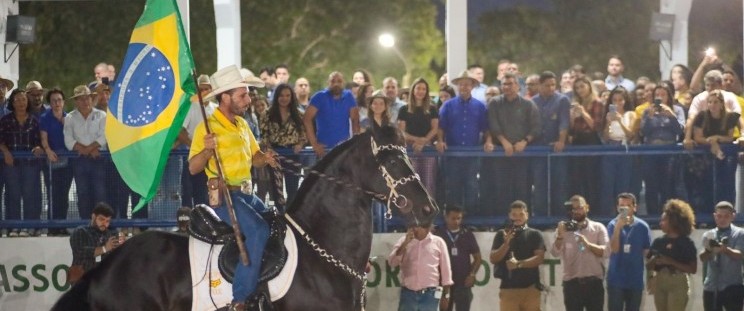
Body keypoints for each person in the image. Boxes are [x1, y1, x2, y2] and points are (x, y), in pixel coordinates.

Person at [188, 65, 279, 310]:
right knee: (259, 231)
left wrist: (265, 158)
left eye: (248, 94)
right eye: (243, 95)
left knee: (277, 223)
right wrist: (208, 150)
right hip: (224, 197)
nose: (248, 100)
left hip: (247, 194)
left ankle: (262, 280)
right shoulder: (206, 129)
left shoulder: (241, 125)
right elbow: (193, 168)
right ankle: (240, 299)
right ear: (225, 97)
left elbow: (255, 157)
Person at [483, 72, 540, 216]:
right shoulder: (495, 103)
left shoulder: (528, 104)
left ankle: (524, 220)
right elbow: (493, 125)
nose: (507, 87)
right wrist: (504, 142)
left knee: (522, 189)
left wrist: (525, 141)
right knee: (501, 189)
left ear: (517, 86)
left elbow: (536, 127)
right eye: (504, 84)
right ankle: (502, 221)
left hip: (522, 154)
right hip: (501, 153)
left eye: (510, 84)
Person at [438, 70, 489, 212]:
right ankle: (452, 219)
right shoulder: (448, 106)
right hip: (452, 154)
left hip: (472, 155)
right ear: (457, 86)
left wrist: (488, 141)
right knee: (453, 187)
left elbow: (485, 128)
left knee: (472, 186)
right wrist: (440, 141)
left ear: (472, 86)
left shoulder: (480, 106)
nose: (464, 87)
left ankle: (471, 219)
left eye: (467, 84)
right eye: (461, 84)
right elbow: (441, 126)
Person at [550, 195, 609, 311]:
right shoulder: (563, 229)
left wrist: (588, 244)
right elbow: (555, 253)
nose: (576, 211)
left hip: (594, 283)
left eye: (579, 207)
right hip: (572, 285)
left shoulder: (598, 228)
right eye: (573, 208)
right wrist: (560, 236)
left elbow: (606, 251)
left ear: (587, 207)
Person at [0, 89, 45, 237]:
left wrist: (39, 148)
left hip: (30, 164)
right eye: (18, 100)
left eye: (24, 100)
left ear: (28, 102)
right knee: (12, 195)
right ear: (12, 102)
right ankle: (13, 226)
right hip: (11, 164)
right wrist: (6, 152)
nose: (21, 103)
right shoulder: (5, 120)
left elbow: (40, 141)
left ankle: (29, 226)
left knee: (29, 195)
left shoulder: (34, 120)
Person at [489, 200, 546, 311]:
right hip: (508, 290)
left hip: (530, 289)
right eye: (514, 214)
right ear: (509, 215)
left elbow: (540, 258)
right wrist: (506, 244)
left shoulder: (535, 234)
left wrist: (519, 264)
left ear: (527, 215)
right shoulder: (502, 234)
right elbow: (493, 259)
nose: (518, 217)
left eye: (521, 214)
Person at [639, 84, 685, 215]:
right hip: (651, 151)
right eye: (657, 95)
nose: (660, 97)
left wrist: (671, 116)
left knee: (668, 185)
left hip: (669, 151)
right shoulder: (647, 111)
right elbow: (643, 132)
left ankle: (668, 215)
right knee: (651, 186)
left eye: (663, 94)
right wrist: (649, 118)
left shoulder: (676, 110)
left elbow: (680, 130)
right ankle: (653, 216)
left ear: (669, 96)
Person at [64, 85, 107, 220]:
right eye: (81, 99)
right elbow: (68, 139)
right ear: (76, 101)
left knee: (100, 192)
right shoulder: (70, 117)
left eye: (87, 98)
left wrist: (90, 148)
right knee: (82, 193)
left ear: (91, 98)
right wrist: (85, 149)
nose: (85, 101)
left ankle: (101, 223)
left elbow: (104, 136)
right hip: (80, 160)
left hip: (98, 158)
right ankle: (86, 222)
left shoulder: (101, 115)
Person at [388, 222, 453, 311]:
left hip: (430, 295)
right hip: (408, 294)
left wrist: (446, 295)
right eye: (413, 225)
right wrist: (405, 244)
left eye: (417, 226)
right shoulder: (404, 240)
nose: (414, 229)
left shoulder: (438, 242)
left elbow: (446, 271)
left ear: (427, 227)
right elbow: (392, 262)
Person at [530, 71, 570, 216]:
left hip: (556, 149)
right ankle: (540, 218)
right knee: (540, 185)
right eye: (547, 85)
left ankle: (558, 218)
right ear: (540, 85)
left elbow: (564, 122)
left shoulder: (562, 100)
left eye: (553, 85)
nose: (551, 88)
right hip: (537, 148)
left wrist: (561, 141)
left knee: (558, 184)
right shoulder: (533, 101)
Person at [646, 199, 697, 311]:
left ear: (674, 221)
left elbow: (692, 269)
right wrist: (654, 262)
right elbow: (648, 264)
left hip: (678, 281)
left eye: (664, 220)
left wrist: (670, 261)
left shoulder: (686, 243)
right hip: (660, 281)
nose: (660, 223)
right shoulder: (658, 242)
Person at [692, 89, 740, 208]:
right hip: (704, 157)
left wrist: (716, 138)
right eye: (710, 102)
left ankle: (728, 210)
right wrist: (711, 143)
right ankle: (708, 212)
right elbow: (698, 137)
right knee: (706, 184)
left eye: (715, 102)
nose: (712, 105)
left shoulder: (729, 117)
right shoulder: (702, 116)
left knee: (726, 184)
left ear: (721, 104)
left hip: (726, 156)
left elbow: (729, 138)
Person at [260, 83, 306, 203]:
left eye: (287, 95)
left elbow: (303, 134)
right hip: (274, 154)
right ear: (276, 96)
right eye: (281, 95)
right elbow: (264, 135)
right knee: (276, 189)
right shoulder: (267, 114)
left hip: (293, 154)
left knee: (292, 188)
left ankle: (290, 215)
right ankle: (279, 214)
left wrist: (300, 144)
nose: (284, 98)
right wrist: (269, 149)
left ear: (292, 97)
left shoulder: (299, 114)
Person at [606, 193, 652, 311]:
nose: (624, 209)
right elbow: (614, 249)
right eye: (622, 206)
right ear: (617, 208)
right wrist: (618, 228)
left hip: (635, 280)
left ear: (634, 207)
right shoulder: (612, 225)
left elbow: (647, 254)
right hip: (616, 280)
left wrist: (651, 276)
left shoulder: (643, 226)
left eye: (628, 206)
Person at [433, 205, 481, 311]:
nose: (456, 221)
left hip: (463, 283)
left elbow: (478, 258)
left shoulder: (467, 235)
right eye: (453, 218)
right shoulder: (438, 234)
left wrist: (472, 274)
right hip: (444, 284)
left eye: (459, 218)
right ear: (446, 217)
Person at [40, 88, 74, 236]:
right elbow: (43, 138)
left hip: (68, 161)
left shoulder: (69, 118)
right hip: (51, 161)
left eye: (59, 100)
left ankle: (62, 225)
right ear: (50, 103)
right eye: (53, 100)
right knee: (53, 194)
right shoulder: (44, 118)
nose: (56, 103)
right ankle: (52, 227)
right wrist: (47, 150)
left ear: (64, 102)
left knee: (64, 195)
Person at [303, 71, 360, 158]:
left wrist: (355, 145)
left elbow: (355, 120)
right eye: (333, 81)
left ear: (343, 83)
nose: (336, 84)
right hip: (323, 149)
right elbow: (306, 119)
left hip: (343, 150)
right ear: (328, 83)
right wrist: (314, 144)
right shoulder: (319, 97)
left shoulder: (349, 96)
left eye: (339, 81)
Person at [568, 77, 604, 210]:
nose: (580, 90)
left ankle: (593, 208)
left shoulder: (596, 103)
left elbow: (596, 126)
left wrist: (583, 112)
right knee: (577, 178)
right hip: (577, 141)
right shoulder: (575, 103)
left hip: (591, 141)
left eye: (582, 86)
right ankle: (577, 209)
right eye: (577, 88)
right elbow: (571, 129)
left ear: (589, 86)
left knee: (591, 178)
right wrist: (572, 117)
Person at [398, 78, 439, 196]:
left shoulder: (432, 109)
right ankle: (412, 212)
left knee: (428, 181)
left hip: (428, 149)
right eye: (418, 88)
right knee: (411, 182)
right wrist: (417, 140)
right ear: (413, 90)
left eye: (424, 89)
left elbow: (435, 128)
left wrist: (424, 142)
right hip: (410, 149)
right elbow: (401, 132)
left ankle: (429, 211)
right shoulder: (404, 109)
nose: (421, 91)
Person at [700, 201, 744, 311]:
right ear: (715, 216)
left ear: (733, 216)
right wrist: (709, 250)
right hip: (712, 286)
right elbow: (702, 258)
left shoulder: (739, 233)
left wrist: (725, 250)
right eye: (719, 216)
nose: (722, 219)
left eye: (726, 216)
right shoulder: (708, 235)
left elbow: (739, 255)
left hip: (733, 285)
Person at [600, 87, 635, 216]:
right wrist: (609, 123)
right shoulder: (608, 115)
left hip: (624, 148)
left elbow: (630, 134)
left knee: (623, 184)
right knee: (607, 185)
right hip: (610, 148)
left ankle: (624, 214)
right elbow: (604, 137)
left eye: (620, 100)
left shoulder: (629, 114)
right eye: (614, 100)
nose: (617, 103)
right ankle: (607, 215)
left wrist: (620, 120)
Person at [68, 202, 122, 283]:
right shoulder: (80, 231)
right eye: (101, 219)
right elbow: (80, 252)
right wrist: (104, 249)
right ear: (93, 217)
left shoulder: (112, 234)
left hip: (102, 279)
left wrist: (122, 246)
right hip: (80, 277)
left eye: (108, 221)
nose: (105, 224)